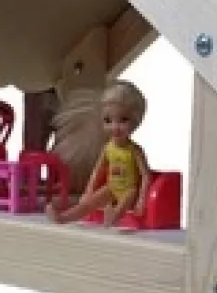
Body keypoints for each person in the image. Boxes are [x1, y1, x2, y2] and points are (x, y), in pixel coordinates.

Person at [46, 80, 152, 227]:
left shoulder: (134, 150)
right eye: (108, 120)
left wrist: (141, 198)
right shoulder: (108, 148)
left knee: (125, 201)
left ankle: (113, 217)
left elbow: (146, 175)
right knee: (88, 204)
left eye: (123, 120)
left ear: (135, 121)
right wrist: (88, 191)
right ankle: (64, 218)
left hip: (129, 190)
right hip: (112, 187)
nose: (115, 127)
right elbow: (97, 170)